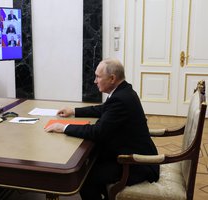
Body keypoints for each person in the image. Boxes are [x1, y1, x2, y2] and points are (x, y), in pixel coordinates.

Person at [45, 58, 159, 200]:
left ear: (112, 78)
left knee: (84, 177)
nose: (95, 81)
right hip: (130, 152)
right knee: (89, 160)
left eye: (98, 77)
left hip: (136, 164)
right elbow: (103, 109)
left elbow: (96, 132)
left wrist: (64, 127)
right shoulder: (123, 91)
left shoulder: (120, 99)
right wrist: (73, 111)